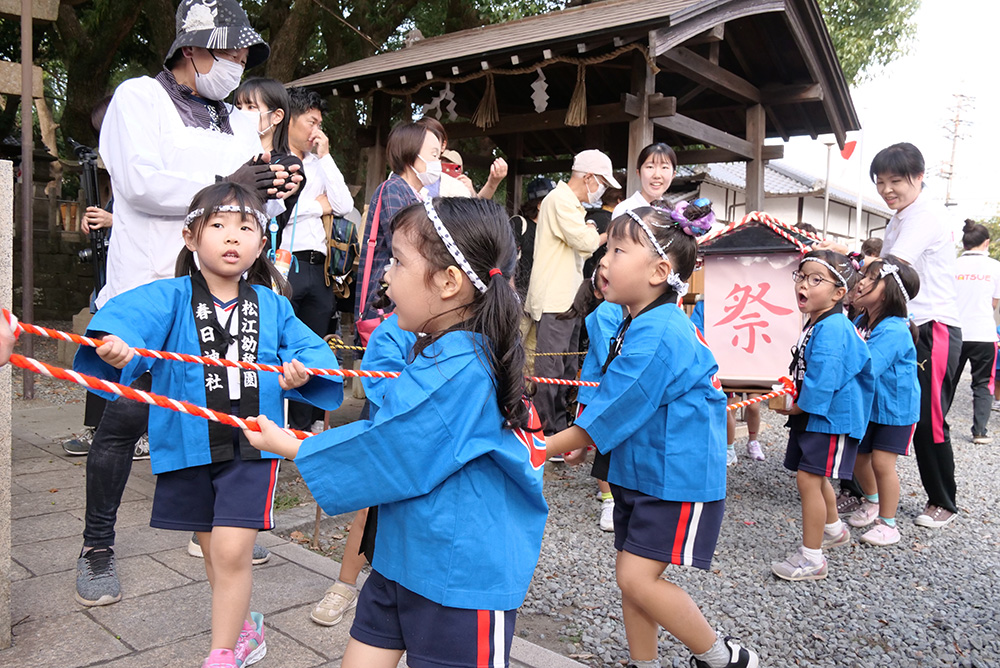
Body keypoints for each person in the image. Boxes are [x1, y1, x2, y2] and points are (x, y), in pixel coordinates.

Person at [246, 197, 548, 668]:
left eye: (398, 261)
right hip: (408, 552)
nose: (385, 273)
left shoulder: (464, 366)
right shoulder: (444, 350)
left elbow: (392, 447)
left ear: (449, 283)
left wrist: (291, 444)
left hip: (458, 574)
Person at [77, 0, 301, 608]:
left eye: (242, 54)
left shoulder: (233, 119)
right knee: (123, 421)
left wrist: (277, 191)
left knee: (219, 412)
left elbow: (243, 205)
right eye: (227, 51)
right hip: (148, 285)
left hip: (215, 291)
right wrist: (232, 178)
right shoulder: (136, 99)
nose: (237, 63)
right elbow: (139, 182)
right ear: (191, 48)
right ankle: (98, 545)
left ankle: (219, 527)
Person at [74, 182, 343, 668]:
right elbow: (126, 325)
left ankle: (221, 655)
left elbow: (307, 349)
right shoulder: (171, 296)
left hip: (253, 445)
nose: (231, 236)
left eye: (245, 227)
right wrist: (118, 346)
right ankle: (243, 629)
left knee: (233, 548)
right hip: (187, 443)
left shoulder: (273, 304)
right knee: (213, 548)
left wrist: (301, 368)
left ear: (262, 244)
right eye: (217, 225)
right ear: (191, 236)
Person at [544, 207, 756, 668]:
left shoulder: (660, 329)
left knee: (637, 578)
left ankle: (724, 658)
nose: (604, 259)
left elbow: (622, 402)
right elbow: (617, 397)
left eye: (619, 250)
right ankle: (645, 663)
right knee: (632, 577)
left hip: (674, 474)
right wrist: (587, 436)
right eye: (607, 248)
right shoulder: (639, 320)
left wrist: (544, 446)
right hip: (645, 469)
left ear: (661, 271)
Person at [821, 143, 962, 529]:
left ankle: (942, 500)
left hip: (932, 325)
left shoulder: (925, 215)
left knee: (929, 417)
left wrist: (839, 256)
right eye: (880, 182)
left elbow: (892, 268)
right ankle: (865, 493)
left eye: (895, 181)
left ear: (919, 178)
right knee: (865, 402)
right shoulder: (898, 217)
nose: (887, 189)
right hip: (894, 324)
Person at [310, 309, 417, 627]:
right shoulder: (395, 328)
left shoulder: (472, 333)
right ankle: (344, 585)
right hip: (392, 431)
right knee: (369, 511)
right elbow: (382, 386)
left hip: (440, 444)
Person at [770, 251, 873, 581]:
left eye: (816, 279)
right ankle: (833, 529)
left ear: (838, 293)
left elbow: (825, 376)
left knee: (810, 479)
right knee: (813, 475)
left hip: (831, 415)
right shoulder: (819, 322)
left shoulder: (832, 327)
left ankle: (812, 558)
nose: (804, 284)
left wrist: (798, 405)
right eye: (801, 277)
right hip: (818, 412)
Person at [525, 150, 618, 435]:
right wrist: (599, 229)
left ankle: (556, 428)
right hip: (554, 299)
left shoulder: (570, 204)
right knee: (549, 371)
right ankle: (544, 434)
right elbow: (586, 241)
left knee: (564, 368)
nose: (602, 190)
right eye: (602, 182)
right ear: (588, 177)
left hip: (567, 298)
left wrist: (590, 226)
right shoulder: (559, 200)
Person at [279, 87, 355, 432]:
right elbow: (281, 213)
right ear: (290, 119)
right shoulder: (276, 158)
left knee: (311, 345)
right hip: (284, 263)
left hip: (320, 268)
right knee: (282, 342)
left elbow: (342, 205)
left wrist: (325, 157)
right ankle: (276, 419)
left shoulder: (317, 163)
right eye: (311, 122)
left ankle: (305, 423)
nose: (316, 130)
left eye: (319, 123)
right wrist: (315, 206)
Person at [849, 256, 921, 546]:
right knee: (858, 458)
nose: (862, 282)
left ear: (889, 288)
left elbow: (868, 365)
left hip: (896, 410)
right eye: (864, 276)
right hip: (869, 406)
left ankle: (888, 523)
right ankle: (873, 500)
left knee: (881, 463)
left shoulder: (894, 329)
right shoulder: (859, 321)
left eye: (871, 278)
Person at [556, 270, 625, 531]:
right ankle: (608, 501)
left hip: (610, 389)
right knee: (601, 444)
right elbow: (610, 352)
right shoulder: (606, 311)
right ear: (599, 291)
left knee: (603, 444)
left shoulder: (624, 309)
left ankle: (609, 491)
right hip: (598, 390)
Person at [354, 122, 438, 327]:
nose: (438, 162)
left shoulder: (420, 196)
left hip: (403, 296)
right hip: (385, 299)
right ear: (411, 154)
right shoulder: (394, 189)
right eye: (434, 154)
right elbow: (410, 244)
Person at [952, 219, 1000, 444]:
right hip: (983, 333)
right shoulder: (995, 267)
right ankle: (980, 431)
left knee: (946, 380)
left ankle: (934, 427)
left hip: (954, 331)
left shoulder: (952, 265)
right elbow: (994, 303)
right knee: (982, 382)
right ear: (986, 242)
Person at [511, 177, 555, 299]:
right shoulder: (519, 224)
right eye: (554, 201)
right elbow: (506, 259)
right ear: (540, 205)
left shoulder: (553, 229)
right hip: (520, 299)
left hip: (544, 300)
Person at [611, 142, 676, 219]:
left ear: (673, 175)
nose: (657, 175)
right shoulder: (624, 210)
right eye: (650, 167)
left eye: (664, 167)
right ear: (639, 172)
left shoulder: (674, 214)